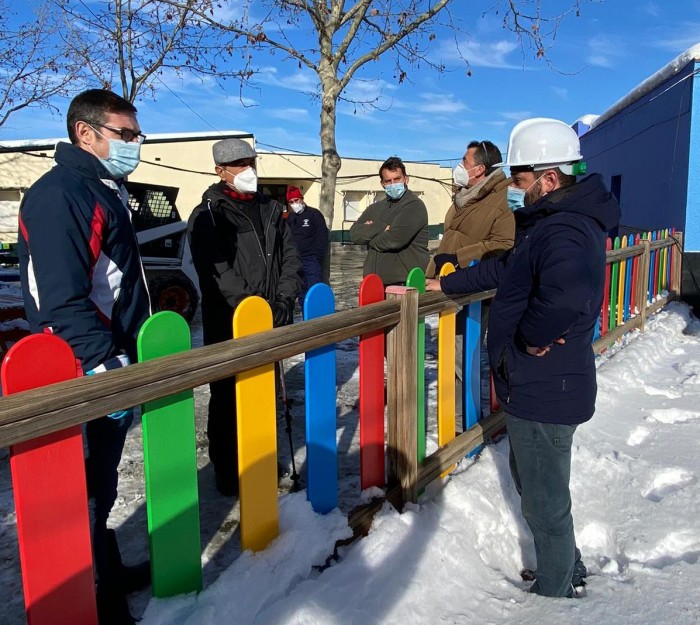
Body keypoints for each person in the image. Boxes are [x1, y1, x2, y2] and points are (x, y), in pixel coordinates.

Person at [426, 118, 620, 598]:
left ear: (549, 179)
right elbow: (505, 268)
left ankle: (555, 593)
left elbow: (565, 296)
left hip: (545, 386)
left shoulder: (565, 230)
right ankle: (565, 566)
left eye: (519, 180)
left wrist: (531, 338)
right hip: (541, 384)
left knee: (544, 500)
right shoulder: (550, 224)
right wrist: (446, 284)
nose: (513, 189)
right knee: (537, 485)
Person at [17, 89, 152, 625]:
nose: (135, 145)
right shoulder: (62, 195)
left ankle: (106, 569)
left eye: (136, 134)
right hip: (82, 368)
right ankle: (88, 591)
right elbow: (61, 299)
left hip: (113, 356)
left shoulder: (102, 187)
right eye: (126, 134)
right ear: (86, 133)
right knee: (78, 486)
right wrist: (102, 364)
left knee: (101, 480)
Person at [187, 138, 302, 498]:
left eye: (251, 161)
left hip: (270, 317)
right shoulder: (208, 213)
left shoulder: (271, 207)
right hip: (229, 321)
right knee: (226, 398)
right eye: (239, 164)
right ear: (220, 171)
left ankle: (262, 459)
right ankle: (227, 466)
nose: (248, 169)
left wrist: (283, 300)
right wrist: (251, 307)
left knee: (264, 393)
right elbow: (216, 271)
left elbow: (290, 259)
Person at [426, 140, 515, 427]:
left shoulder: (502, 198)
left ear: (480, 168)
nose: (459, 166)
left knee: (465, 353)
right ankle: (454, 415)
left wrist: (459, 258)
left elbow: (502, 244)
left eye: (464, 161)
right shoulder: (465, 196)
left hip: (477, 288)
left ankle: (467, 420)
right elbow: (450, 237)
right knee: (452, 351)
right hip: (449, 281)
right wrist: (434, 268)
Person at [349, 156, 429, 285]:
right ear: (382, 183)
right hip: (374, 284)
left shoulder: (414, 205)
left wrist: (368, 237)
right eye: (388, 181)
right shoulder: (376, 207)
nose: (393, 184)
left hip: (405, 284)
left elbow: (393, 240)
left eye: (397, 179)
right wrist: (380, 227)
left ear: (406, 179)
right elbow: (354, 234)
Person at [285, 185, 329, 307]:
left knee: (314, 290)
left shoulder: (314, 214)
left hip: (311, 259)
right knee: (301, 293)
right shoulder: (290, 218)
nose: (294, 204)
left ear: (302, 198)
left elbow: (322, 236)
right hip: (296, 260)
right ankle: (305, 318)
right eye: (291, 202)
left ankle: (317, 318)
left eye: (296, 200)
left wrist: (316, 256)